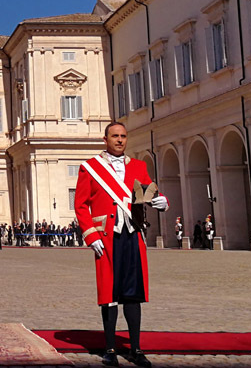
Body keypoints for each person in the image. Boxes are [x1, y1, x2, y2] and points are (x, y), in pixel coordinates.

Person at [75, 122, 168, 368]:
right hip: (105, 238)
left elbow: (147, 194)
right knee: (109, 294)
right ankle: (110, 349)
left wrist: (162, 201)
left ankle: (136, 349)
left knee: (133, 293)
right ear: (104, 139)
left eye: (123, 136)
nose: (119, 140)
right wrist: (90, 235)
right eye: (115, 136)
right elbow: (81, 205)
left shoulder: (139, 166)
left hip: (132, 235)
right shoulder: (90, 168)